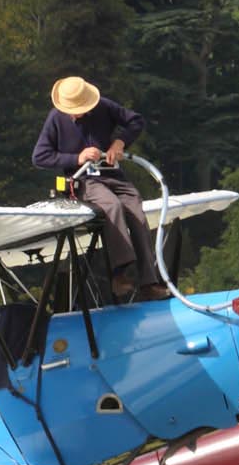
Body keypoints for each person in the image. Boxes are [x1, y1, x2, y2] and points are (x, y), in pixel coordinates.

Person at [33, 76, 167, 302]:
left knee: (136, 210)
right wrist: (77, 157)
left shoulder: (103, 106)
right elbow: (40, 156)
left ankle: (149, 281)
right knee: (111, 206)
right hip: (83, 180)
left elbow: (135, 121)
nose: (75, 114)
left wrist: (120, 142)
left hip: (113, 174)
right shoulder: (56, 119)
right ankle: (120, 274)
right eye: (71, 110)